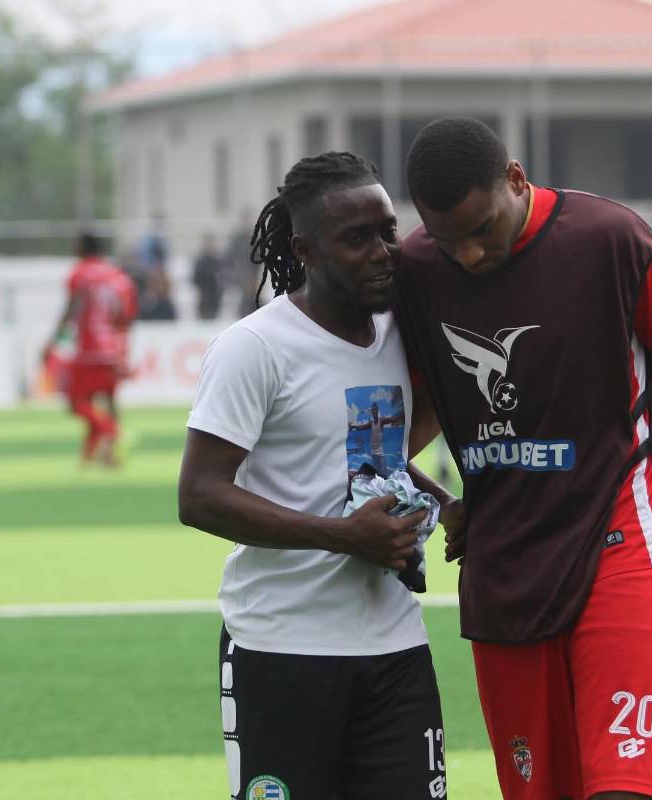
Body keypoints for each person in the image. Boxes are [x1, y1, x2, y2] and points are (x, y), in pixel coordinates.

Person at [395, 117, 652, 800]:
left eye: (480, 230)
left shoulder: (610, 240)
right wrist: (439, 502)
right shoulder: (418, 267)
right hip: (505, 564)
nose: (468, 256)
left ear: (515, 179)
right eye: (448, 240)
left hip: (621, 537)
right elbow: (421, 410)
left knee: (618, 788)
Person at [177, 153, 454, 800]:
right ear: (304, 250)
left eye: (388, 230)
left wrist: (444, 503)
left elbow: (366, 454)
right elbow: (200, 496)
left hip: (395, 647)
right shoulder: (255, 348)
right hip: (281, 650)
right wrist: (344, 536)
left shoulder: (399, 335)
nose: (385, 251)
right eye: (357, 239)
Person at [43, 232, 136, 468]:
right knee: (109, 399)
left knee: (76, 401)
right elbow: (124, 314)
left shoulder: (80, 273)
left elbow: (72, 310)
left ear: (82, 248)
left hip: (88, 348)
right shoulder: (117, 275)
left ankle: (113, 433)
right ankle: (102, 455)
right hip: (113, 347)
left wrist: (54, 341)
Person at [192, 234, 227, 320]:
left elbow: (223, 279)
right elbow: (196, 279)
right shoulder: (200, 262)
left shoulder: (218, 262)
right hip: (204, 299)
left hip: (215, 298)